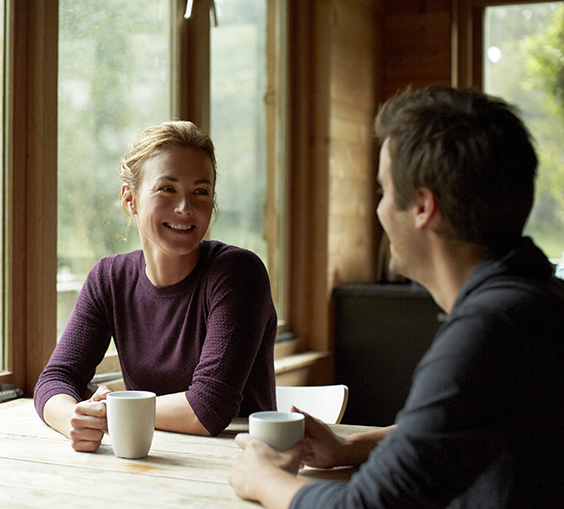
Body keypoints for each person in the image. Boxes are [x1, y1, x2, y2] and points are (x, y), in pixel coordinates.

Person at [229, 86, 564, 508]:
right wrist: (351, 447)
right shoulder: (536, 300)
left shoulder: (490, 328)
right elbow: (459, 429)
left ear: (423, 206)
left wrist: (264, 479)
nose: (380, 210)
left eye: (384, 192)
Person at [34, 120, 277, 451]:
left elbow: (208, 408)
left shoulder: (237, 273)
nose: (185, 208)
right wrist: (73, 420)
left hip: (241, 464)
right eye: (167, 189)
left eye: (201, 192)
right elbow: (55, 380)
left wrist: (114, 409)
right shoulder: (108, 279)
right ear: (130, 199)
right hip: (150, 458)